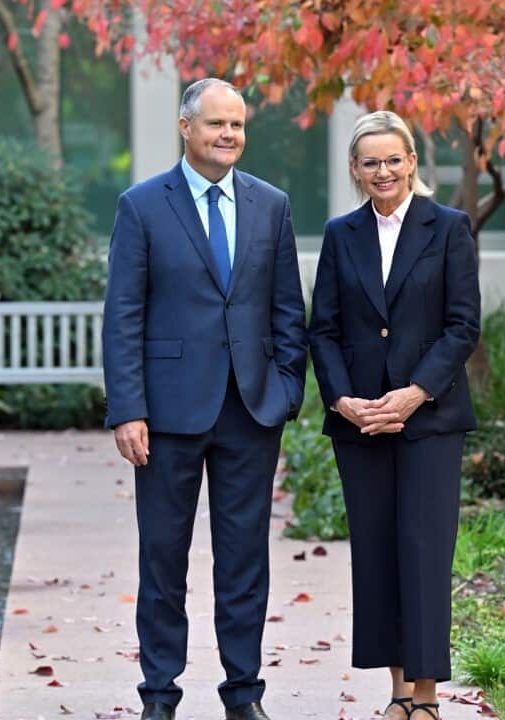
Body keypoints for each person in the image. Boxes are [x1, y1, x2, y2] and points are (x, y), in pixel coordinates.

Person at [102, 78, 307, 720]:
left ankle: (243, 695)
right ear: (185, 128)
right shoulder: (141, 206)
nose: (229, 136)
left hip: (250, 411)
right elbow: (123, 314)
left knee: (244, 559)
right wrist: (127, 408)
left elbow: (285, 309)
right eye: (217, 124)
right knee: (163, 559)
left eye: (238, 126)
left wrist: (287, 390)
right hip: (166, 416)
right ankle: (159, 696)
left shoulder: (271, 205)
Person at [307, 110, 481, 720]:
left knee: (425, 550)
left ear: (412, 162)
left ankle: (428, 699)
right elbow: (321, 329)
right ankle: (398, 692)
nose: (383, 170)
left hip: (429, 419)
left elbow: (463, 327)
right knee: (378, 552)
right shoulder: (340, 233)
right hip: (361, 424)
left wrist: (414, 392)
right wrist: (341, 399)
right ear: (355, 170)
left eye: (393, 159)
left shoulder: (449, 227)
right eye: (370, 162)